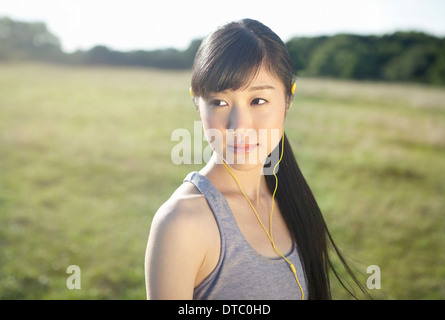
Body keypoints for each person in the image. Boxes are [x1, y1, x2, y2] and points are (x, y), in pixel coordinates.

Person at [145, 18, 367, 300]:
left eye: (257, 101)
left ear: (288, 99)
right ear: (196, 102)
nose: (239, 126)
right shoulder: (182, 222)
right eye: (219, 102)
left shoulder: (290, 199)